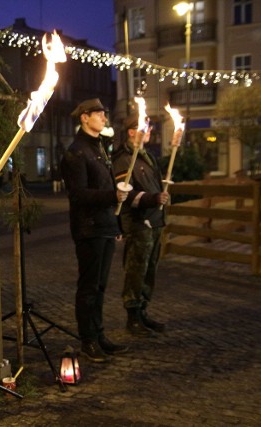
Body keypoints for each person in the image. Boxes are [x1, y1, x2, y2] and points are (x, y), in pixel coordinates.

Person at [60, 98, 129, 363]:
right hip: (89, 229)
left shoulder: (99, 147)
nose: (103, 117)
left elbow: (108, 187)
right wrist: (113, 195)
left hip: (104, 226)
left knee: (100, 286)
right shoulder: (76, 152)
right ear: (84, 117)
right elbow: (78, 195)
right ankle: (87, 340)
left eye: (104, 113)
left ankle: (99, 336)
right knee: (88, 286)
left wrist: (117, 224)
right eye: (98, 113)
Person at [112, 115, 169, 337]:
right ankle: (132, 316)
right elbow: (126, 194)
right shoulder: (124, 159)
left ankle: (143, 311)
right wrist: (152, 199)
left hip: (154, 221)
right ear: (131, 132)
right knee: (136, 269)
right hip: (138, 223)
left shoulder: (148, 157)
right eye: (142, 127)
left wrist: (160, 198)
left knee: (150, 269)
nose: (148, 130)